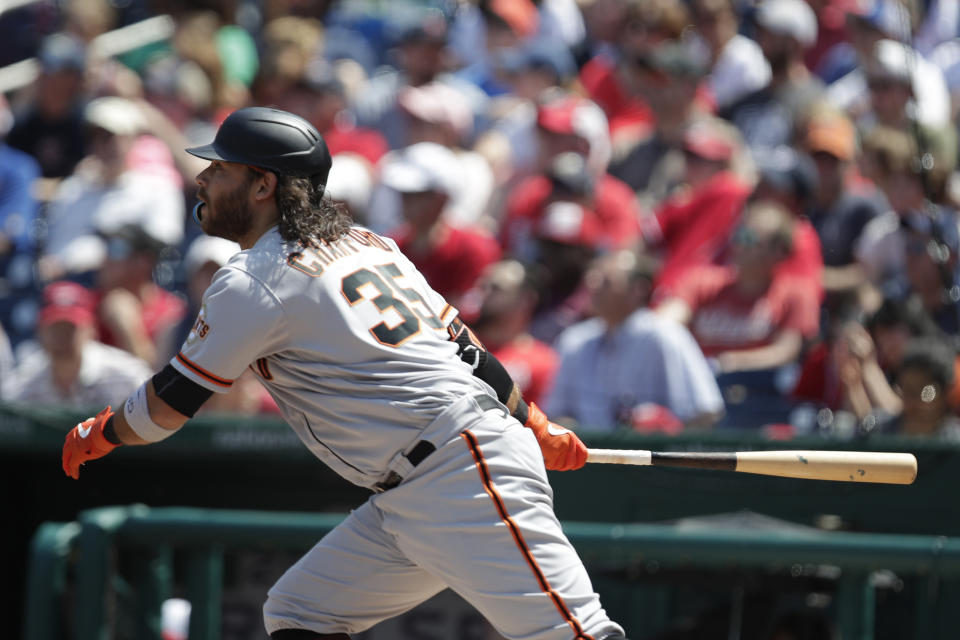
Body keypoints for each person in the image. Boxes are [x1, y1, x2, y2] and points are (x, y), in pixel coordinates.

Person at [61, 107, 630, 640]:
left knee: (578, 634)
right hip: (428, 478)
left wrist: (106, 430)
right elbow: (468, 349)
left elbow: (167, 409)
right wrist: (532, 420)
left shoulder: (255, 276)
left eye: (220, 167)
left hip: (458, 468)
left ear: (264, 185)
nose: (203, 179)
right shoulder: (366, 242)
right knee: (300, 612)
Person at [545, 249, 724, 431]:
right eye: (592, 280)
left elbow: (705, 412)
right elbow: (555, 415)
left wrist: (667, 429)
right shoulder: (575, 340)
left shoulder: (664, 336)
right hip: (589, 456)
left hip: (653, 456)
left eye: (606, 282)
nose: (593, 288)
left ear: (638, 289)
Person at [7, 281, 151, 408]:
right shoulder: (26, 379)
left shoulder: (126, 375)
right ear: (40, 330)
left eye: (71, 328)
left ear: (90, 329)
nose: (62, 336)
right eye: (55, 328)